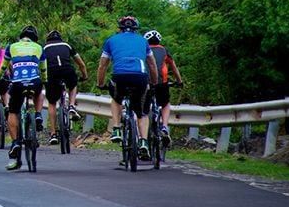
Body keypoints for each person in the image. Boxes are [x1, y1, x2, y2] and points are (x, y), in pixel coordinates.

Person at [96, 15, 158, 160]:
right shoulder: (143, 41)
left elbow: (102, 65)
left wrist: (100, 83)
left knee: (116, 99)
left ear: (120, 28)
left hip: (120, 77)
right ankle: (143, 141)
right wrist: (154, 82)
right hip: (140, 77)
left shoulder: (111, 40)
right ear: (136, 28)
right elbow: (152, 65)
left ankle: (116, 128)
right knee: (142, 111)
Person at [0, 25, 46, 170]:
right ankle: (37, 115)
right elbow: (43, 69)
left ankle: (15, 143)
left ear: (21, 37)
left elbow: (3, 67)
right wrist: (45, 80)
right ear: (34, 38)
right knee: (39, 91)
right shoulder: (39, 48)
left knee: (12, 111)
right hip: (34, 81)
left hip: (17, 84)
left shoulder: (11, 47)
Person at [41, 30, 89, 145]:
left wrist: (43, 79)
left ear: (48, 40)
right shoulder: (67, 45)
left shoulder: (44, 48)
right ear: (60, 39)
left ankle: (53, 134)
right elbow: (81, 63)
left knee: (52, 102)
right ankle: (72, 105)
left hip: (51, 73)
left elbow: (41, 64)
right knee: (73, 85)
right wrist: (84, 76)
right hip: (67, 70)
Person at [144, 30, 184, 141]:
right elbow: (173, 67)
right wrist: (179, 81)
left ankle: (143, 135)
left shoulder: (142, 50)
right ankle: (165, 126)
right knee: (165, 104)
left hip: (145, 82)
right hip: (161, 83)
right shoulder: (164, 50)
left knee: (144, 109)